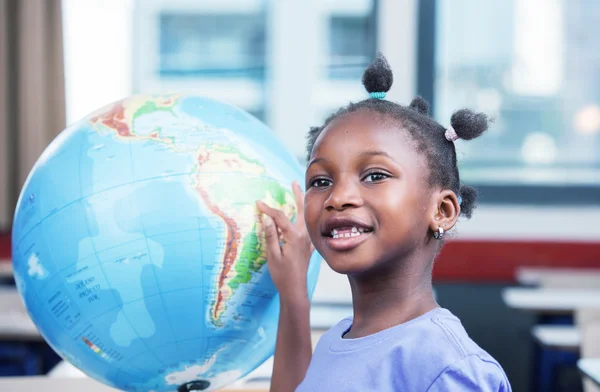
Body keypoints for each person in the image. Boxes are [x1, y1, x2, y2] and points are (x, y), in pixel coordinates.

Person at [256, 53, 512, 391]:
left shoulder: (447, 367)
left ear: (443, 212)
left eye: (375, 175)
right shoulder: (339, 339)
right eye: (320, 181)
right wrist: (294, 294)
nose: (338, 197)